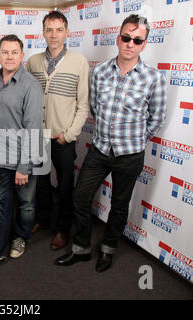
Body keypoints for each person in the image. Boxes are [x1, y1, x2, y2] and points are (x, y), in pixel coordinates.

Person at [55, 14, 167, 272]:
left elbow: (157, 118)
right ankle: (81, 248)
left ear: (144, 44)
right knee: (80, 197)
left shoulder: (154, 78)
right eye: (126, 37)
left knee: (119, 205)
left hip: (130, 155)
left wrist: (135, 140)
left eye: (137, 40)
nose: (130, 43)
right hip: (100, 149)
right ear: (118, 38)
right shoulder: (100, 71)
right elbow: (93, 107)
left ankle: (108, 249)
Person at [0, 34, 43, 270]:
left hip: (24, 157)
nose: (9, 56)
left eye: (14, 52)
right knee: (1, 202)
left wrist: (24, 167)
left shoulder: (30, 85)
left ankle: (21, 236)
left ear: (22, 56)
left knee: (26, 203)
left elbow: (33, 128)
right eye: (5, 51)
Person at [26, 11, 90, 250]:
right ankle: (43, 219)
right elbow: (29, 99)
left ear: (67, 32)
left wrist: (69, 134)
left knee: (64, 186)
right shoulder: (32, 62)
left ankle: (63, 229)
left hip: (63, 137)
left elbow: (83, 104)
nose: (54, 35)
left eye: (59, 29)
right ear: (43, 32)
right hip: (38, 136)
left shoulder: (78, 62)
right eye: (49, 30)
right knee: (40, 183)